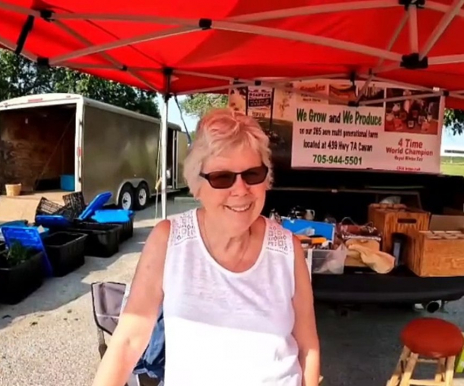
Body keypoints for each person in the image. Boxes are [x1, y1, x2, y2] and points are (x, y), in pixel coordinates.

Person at [92, 108, 320, 386]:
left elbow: (308, 347)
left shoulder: (288, 250)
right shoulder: (170, 240)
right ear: (198, 184)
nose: (240, 190)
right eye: (222, 177)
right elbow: (128, 340)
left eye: (252, 174)